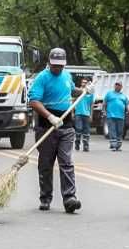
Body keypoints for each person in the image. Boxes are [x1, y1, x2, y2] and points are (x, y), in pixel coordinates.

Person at [28, 48, 86, 213]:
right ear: (49, 62)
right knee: (46, 164)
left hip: (66, 126)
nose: (58, 69)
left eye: (60, 66)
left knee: (66, 162)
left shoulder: (67, 76)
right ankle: (45, 197)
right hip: (47, 126)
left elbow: (71, 90)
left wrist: (83, 91)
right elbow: (34, 101)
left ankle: (69, 198)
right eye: (55, 66)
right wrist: (49, 116)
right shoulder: (42, 78)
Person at [103, 82, 129, 152]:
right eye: (116, 85)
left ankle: (118, 145)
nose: (117, 86)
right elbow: (104, 103)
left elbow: (127, 105)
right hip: (111, 115)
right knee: (112, 130)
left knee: (120, 131)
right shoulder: (109, 94)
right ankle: (113, 145)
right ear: (114, 86)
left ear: (121, 87)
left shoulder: (124, 96)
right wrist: (104, 111)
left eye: (119, 85)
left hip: (121, 116)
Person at [73, 79, 94, 152]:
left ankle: (86, 145)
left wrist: (91, 115)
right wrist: (72, 113)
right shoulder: (78, 92)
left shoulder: (90, 93)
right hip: (78, 113)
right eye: (83, 82)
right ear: (81, 83)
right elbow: (73, 102)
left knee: (86, 130)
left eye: (86, 82)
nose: (84, 83)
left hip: (86, 114)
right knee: (78, 129)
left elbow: (91, 105)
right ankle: (77, 143)